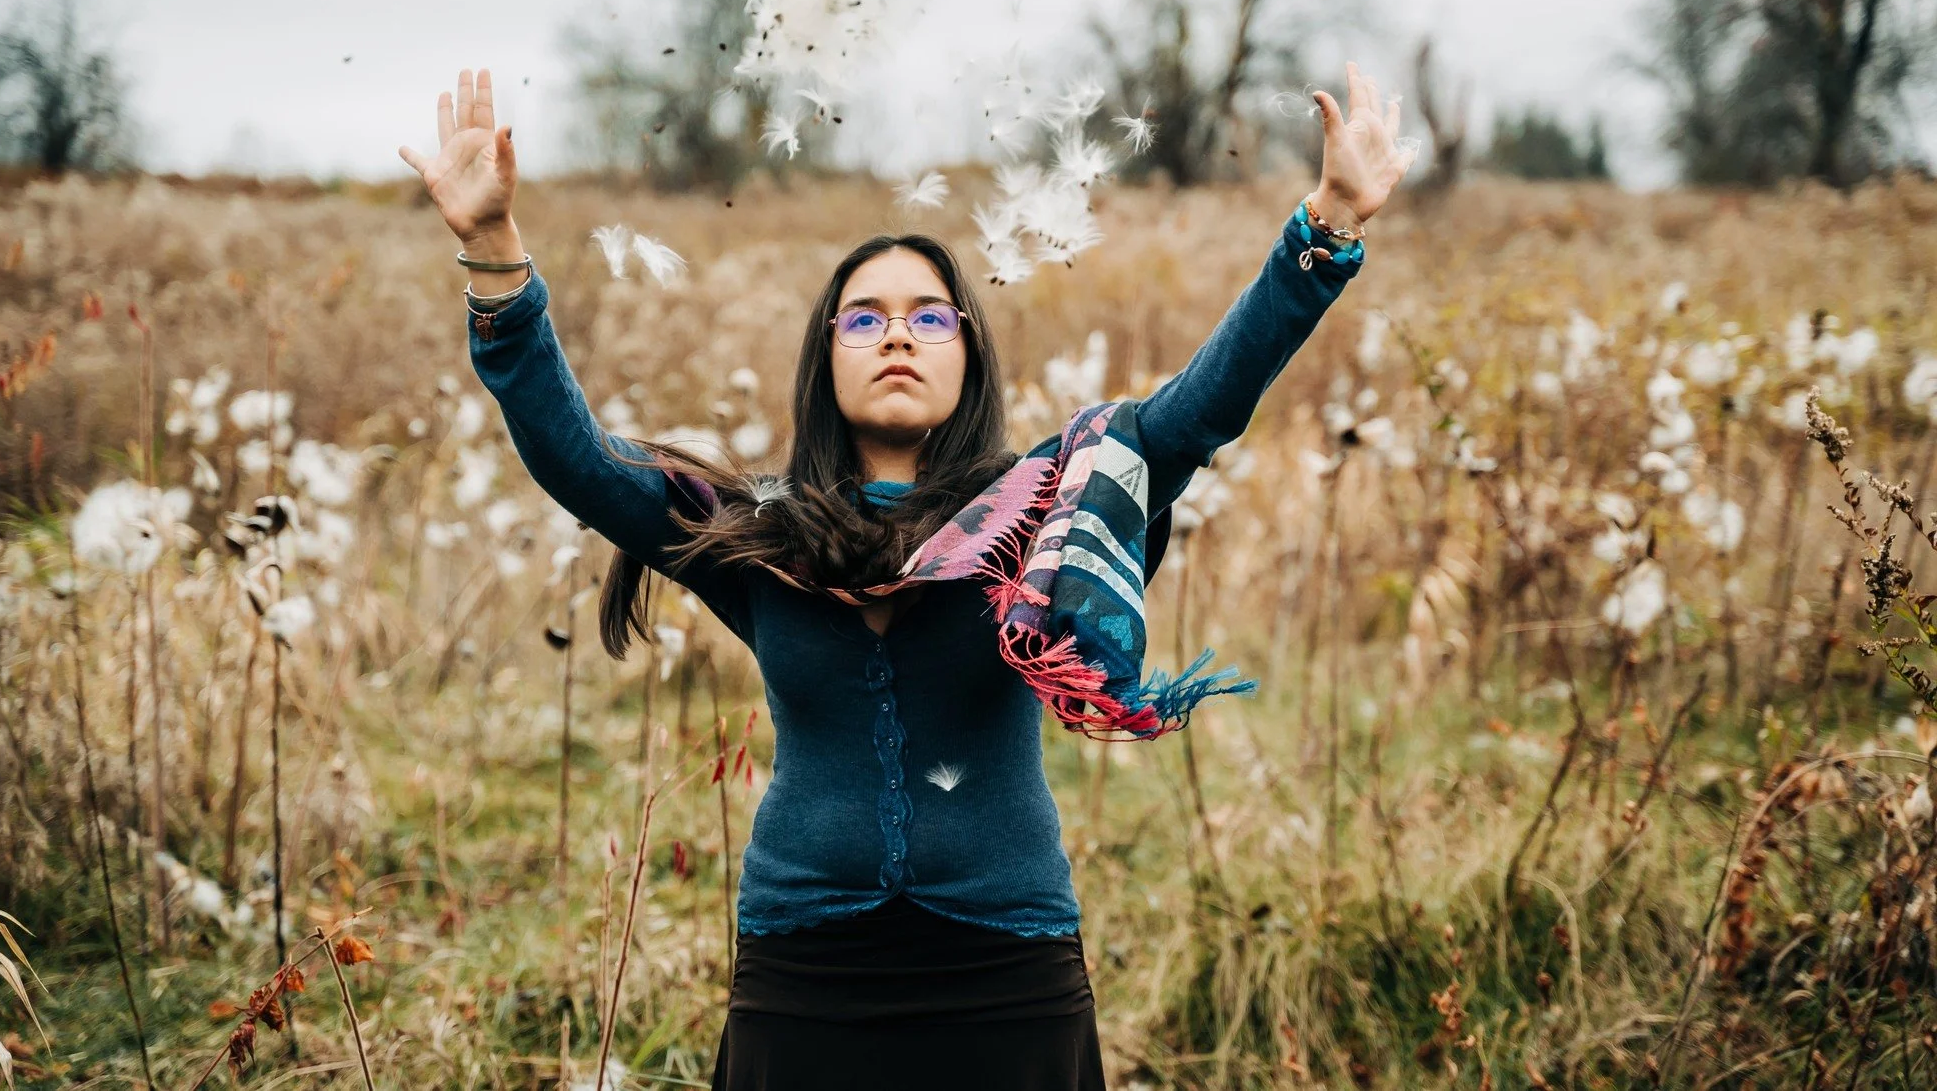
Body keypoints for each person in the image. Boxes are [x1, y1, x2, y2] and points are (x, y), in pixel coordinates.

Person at [398, 63, 1409, 1090]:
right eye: (863, 317)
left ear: (967, 354)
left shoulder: (1051, 505)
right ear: (824, 356)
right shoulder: (754, 534)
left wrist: (1322, 230)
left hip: (1006, 971)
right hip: (803, 974)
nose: (895, 334)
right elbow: (574, 458)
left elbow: (1199, 408)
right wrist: (490, 252)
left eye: (929, 318)